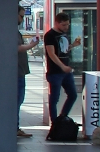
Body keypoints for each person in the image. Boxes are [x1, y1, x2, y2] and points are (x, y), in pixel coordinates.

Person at [44, 12, 81, 122]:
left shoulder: (64, 35)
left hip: (66, 71)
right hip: (55, 72)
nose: (66, 27)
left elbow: (62, 49)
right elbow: (52, 53)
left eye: (67, 24)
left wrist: (73, 45)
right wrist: (62, 66)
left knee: (73, 95)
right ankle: (55, 122)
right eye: (64, 25)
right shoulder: (49, 35)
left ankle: (62, 117)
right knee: (54, 98)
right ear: (57, 23)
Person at [18, 8, 40, 138]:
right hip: (17, 72)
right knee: (18, 99)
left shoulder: (15, 31)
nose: (21, 19)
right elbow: (17, 48)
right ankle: (14, 127)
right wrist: (31, 45)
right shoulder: (12, 32)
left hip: (20, 71)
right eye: (21, 16)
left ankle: (15, 126)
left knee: (18, 100)